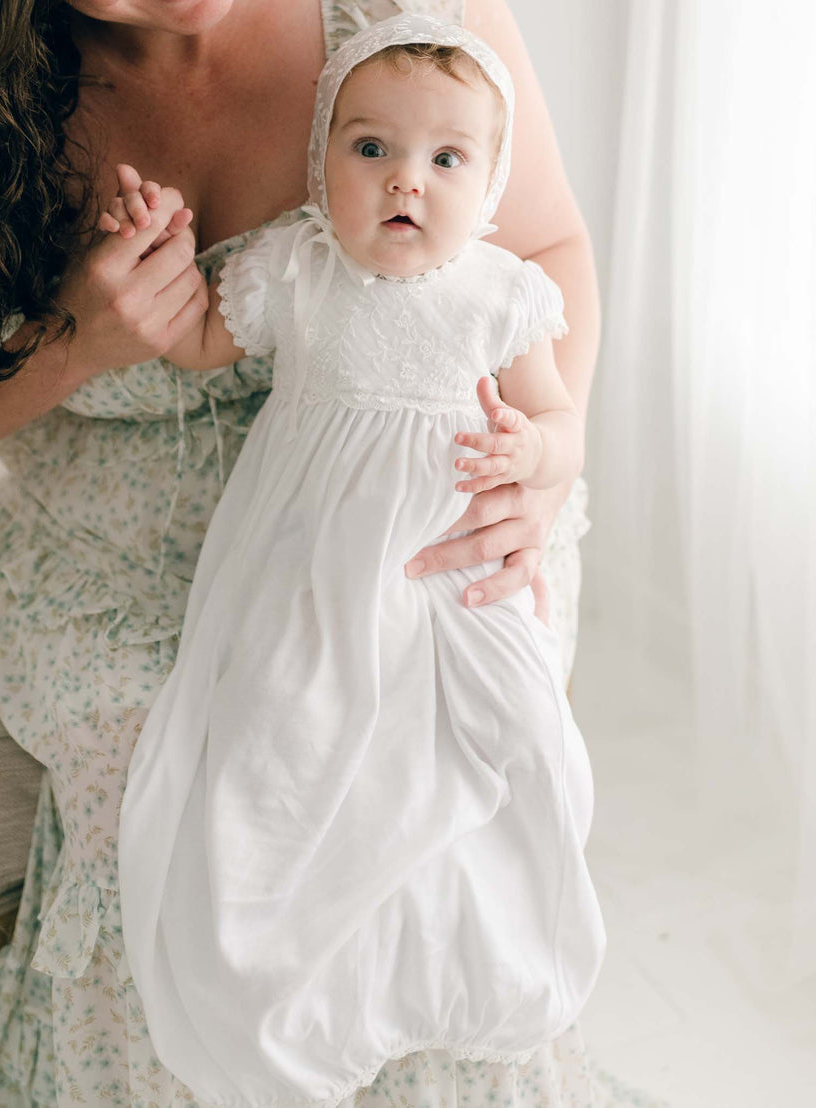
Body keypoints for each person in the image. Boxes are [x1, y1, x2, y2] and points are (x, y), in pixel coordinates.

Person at [0, 0, 635, 1105]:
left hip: (420, 514)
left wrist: (554, 446)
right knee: (193, 808)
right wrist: (71, 341)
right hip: (120, 543)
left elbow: (542, 250)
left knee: (439, 797)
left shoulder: (415, 18)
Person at [112, 17, 605, 1108]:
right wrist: (154, 269)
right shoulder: (297, 267)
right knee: (286, 725)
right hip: (304, 559)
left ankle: (457, 970)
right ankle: (288, 985)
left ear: (490, 181)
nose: (405, 184)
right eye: (370, 148)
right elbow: (201, 341)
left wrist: (536, 452)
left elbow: (556, 418)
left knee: (496, 738)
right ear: (322, 159)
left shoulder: (498, 294)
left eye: (446, 159)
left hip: (438, 560)